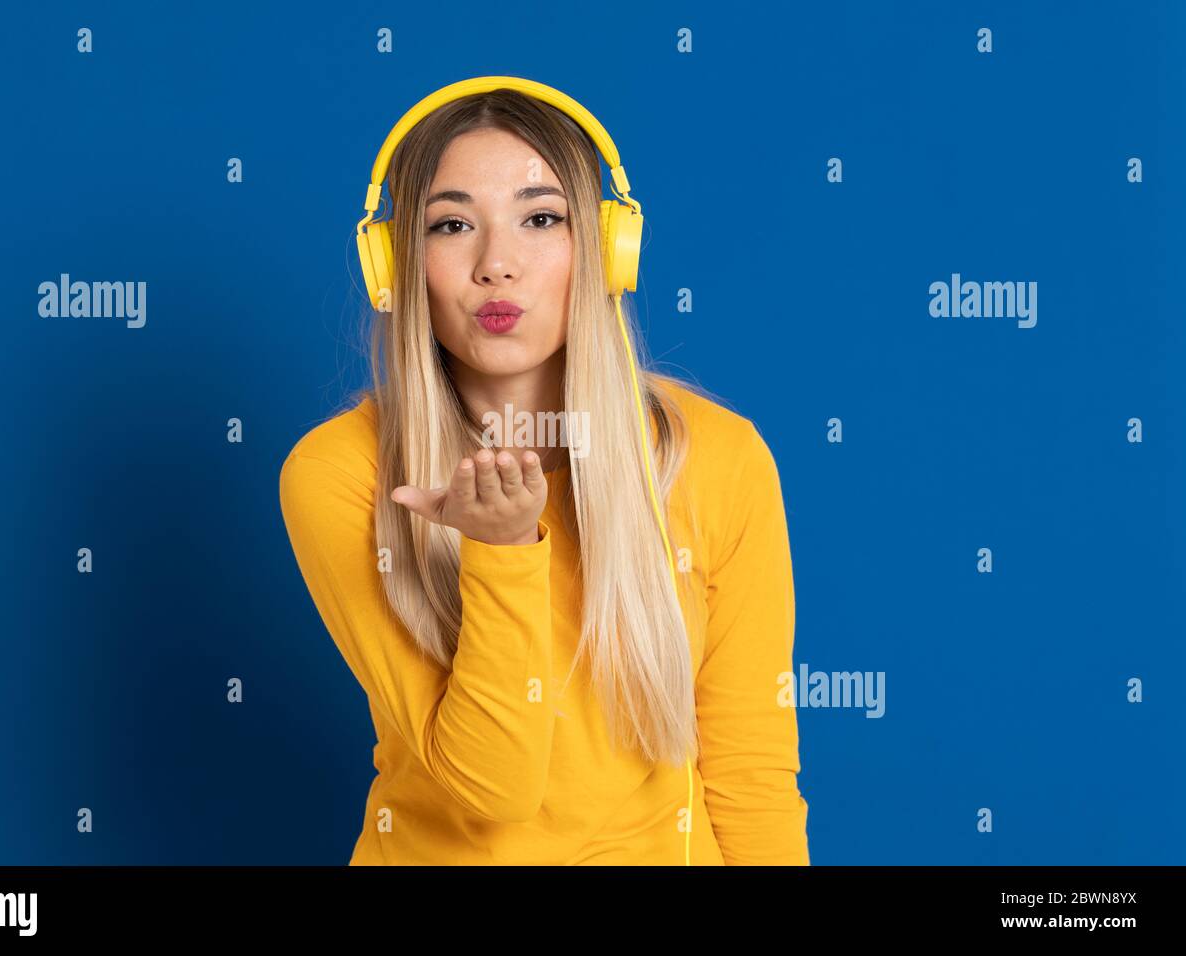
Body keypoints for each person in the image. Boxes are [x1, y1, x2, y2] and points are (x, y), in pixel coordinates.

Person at [278, 80, 809, 865]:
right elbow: (494, 792)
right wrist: (502, 551)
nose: (498, 265)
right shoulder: (340, 471)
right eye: (452, 224)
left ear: (606, 249)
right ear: (396, 263)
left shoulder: (718, 456)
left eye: (540, 218)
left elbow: (750, 769)